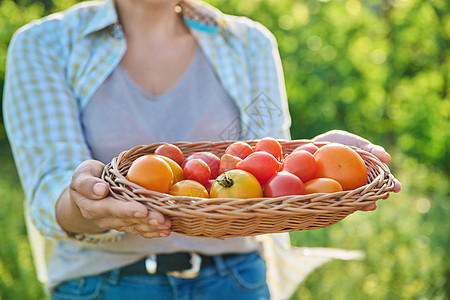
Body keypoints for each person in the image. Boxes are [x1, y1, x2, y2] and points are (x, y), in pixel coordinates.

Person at [3, 0, 401, 299]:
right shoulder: (44, 44)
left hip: (237, 280)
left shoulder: (248, 42)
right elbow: (49, 192)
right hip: (104, 285)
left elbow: (267, 169)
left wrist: (317, 158)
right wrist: (90, 205)